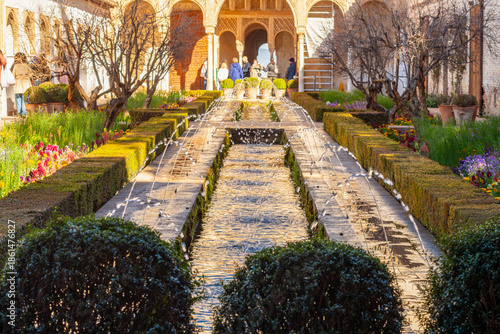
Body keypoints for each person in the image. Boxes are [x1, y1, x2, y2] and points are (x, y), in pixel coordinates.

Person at [11, 53, 32, 117]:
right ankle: (24, 112)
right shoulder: (26, 66)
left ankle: (19, 113)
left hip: (18, 84)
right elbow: (31, 75)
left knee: (18, 99)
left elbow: (13, 76)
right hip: (26, 84)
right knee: (24, 99)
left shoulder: (15, 66)